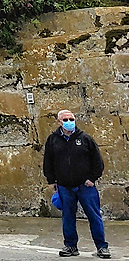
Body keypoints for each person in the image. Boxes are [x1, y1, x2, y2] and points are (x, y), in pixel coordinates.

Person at [43, 109, 110, 258]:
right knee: (68, 217)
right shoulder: (53, 140)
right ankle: (70, 246)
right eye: (65, 119)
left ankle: (102, 247)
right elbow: (48, 161)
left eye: (71, 119)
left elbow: (97, 162)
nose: (69, 122)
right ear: (59, 122)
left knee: (94, 216)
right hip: (64, 186)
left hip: (85, 186)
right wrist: (51, 181)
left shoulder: (85, 139)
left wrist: (92, 179)